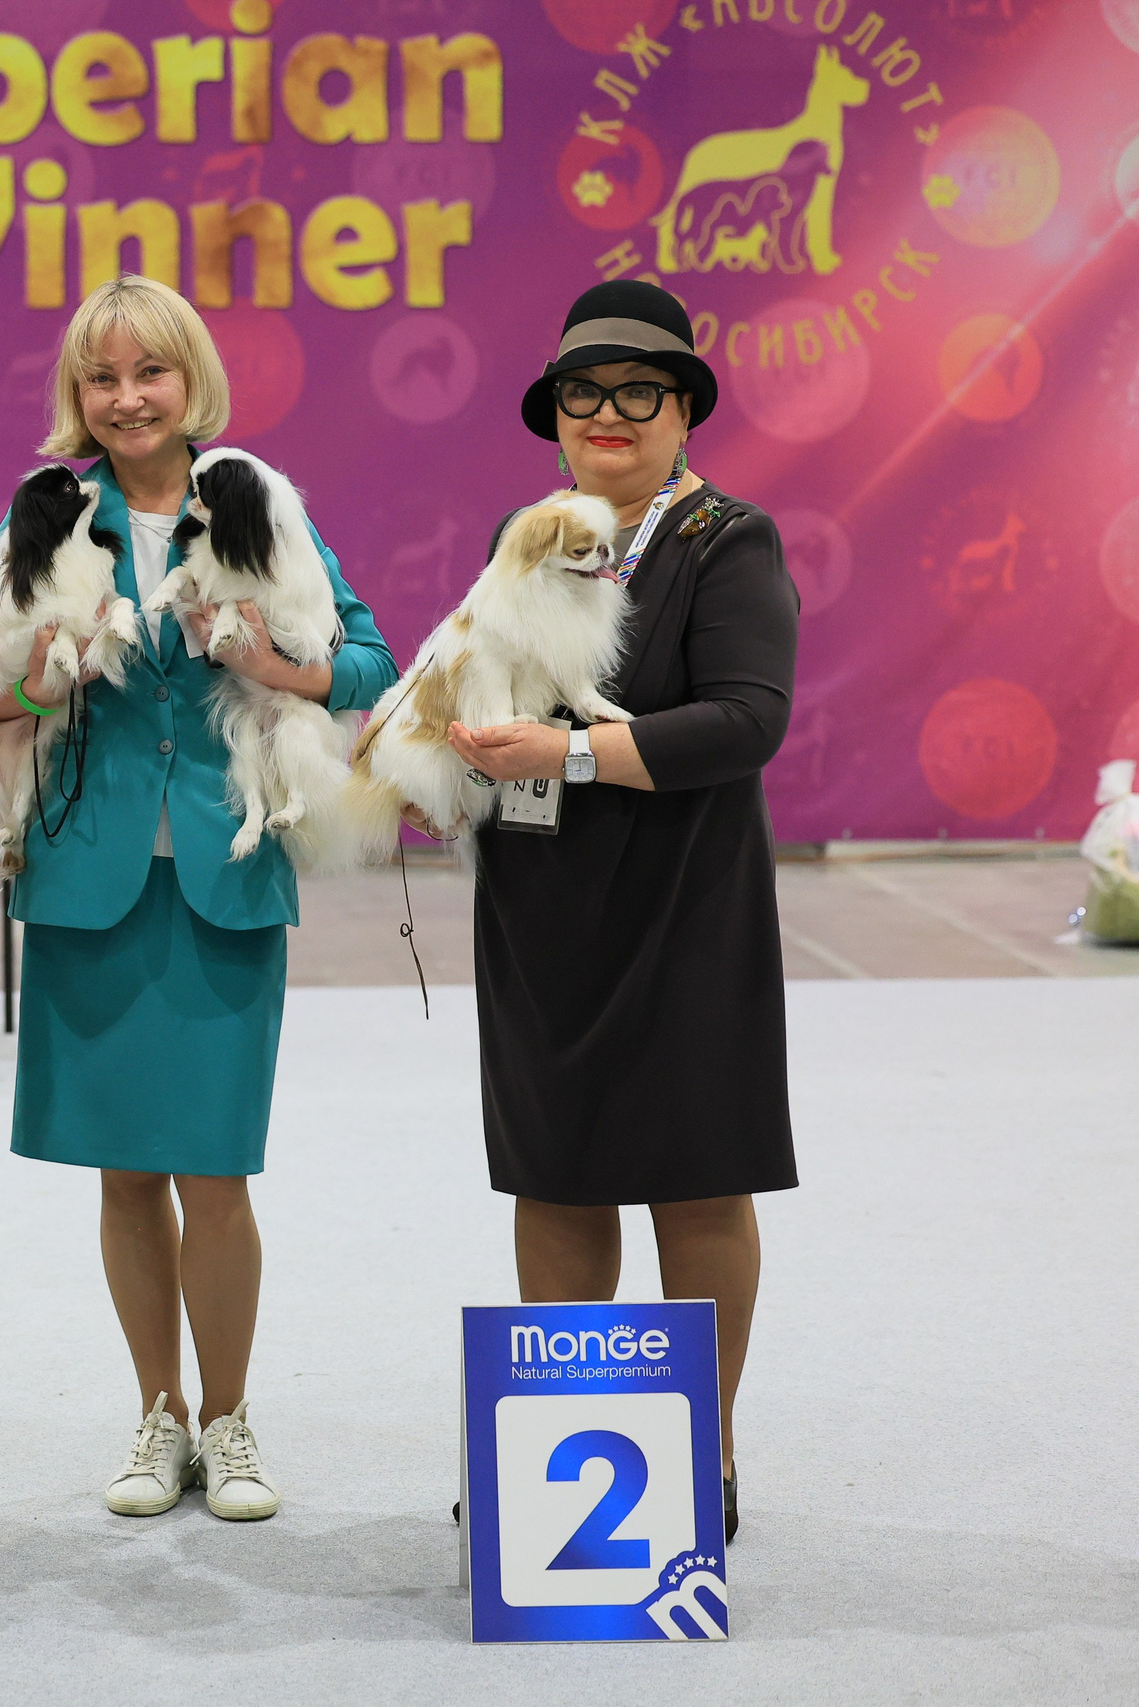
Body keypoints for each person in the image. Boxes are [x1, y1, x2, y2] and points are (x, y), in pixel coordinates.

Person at [0, 276, 395, 1521]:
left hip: (225, 872)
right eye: (100, 379)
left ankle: (230, 1418)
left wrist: (265, 660)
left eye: (147, 373)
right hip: (86, 877)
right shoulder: (48, 510)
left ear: (188, 380)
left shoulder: (255, 501)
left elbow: (366, 655)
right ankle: (155, 1415)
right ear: (76, 396)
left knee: (215, 1171)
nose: (124, 399)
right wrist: (49, 678)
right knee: (121, 1174)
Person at [445, 278, 799, 1544]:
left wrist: (571, 755)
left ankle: (694, 1459)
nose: (608, 415)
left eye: (636, 393)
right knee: (557, 1179)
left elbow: (748, 721)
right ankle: (563, 1443)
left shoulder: (728, 540)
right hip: (539, 907)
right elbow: (481, 672)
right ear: (554, 416)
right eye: (582, 396)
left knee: (699, 1182)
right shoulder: (524, 530)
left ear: (683, 409)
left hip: (683, 906)